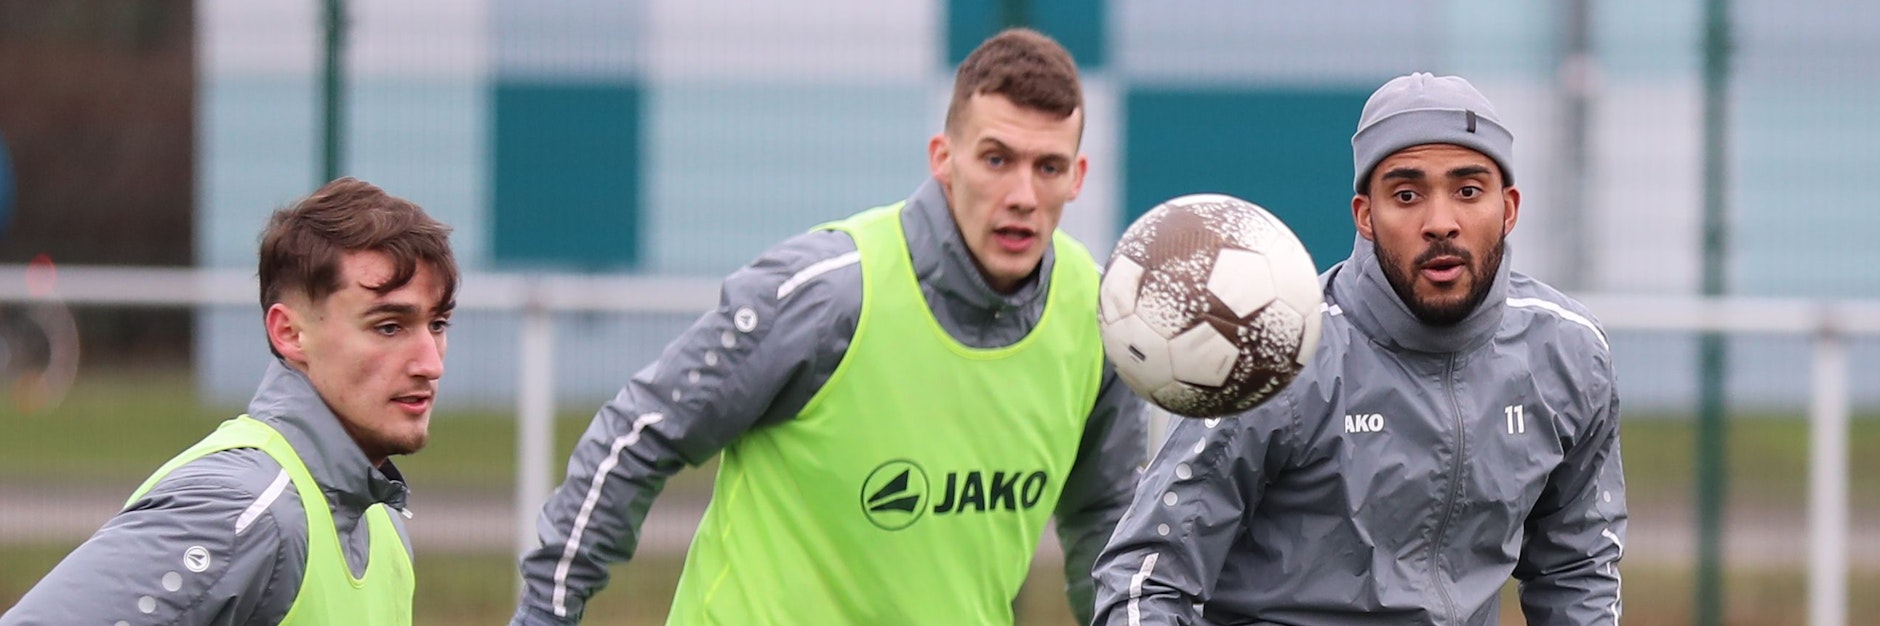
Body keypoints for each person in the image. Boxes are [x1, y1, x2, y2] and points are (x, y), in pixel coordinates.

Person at [510, 28, 1146, 626]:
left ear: (1078, 178)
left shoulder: (1096, 317)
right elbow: (638, 435)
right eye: (996, 158)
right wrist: (545, 614)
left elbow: (1107, 522)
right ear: (943, 159)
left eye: (1048, 167)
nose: (1022, 194)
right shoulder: (827, 294)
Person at [1090, 73, 1627, 625]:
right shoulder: (1281, 356)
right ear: (1366, 216)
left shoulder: (1567, 353)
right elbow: (1146, 581)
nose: (1440, 222)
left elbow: (1577, 569)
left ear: (1508, 208)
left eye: (1468, 191)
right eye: (1406, 195)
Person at [1, 178, 457, 626]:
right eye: (389, 327)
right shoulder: (242, 510)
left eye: (437, 325)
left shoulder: (381, 524)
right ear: (290, 333)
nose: (429, 364)